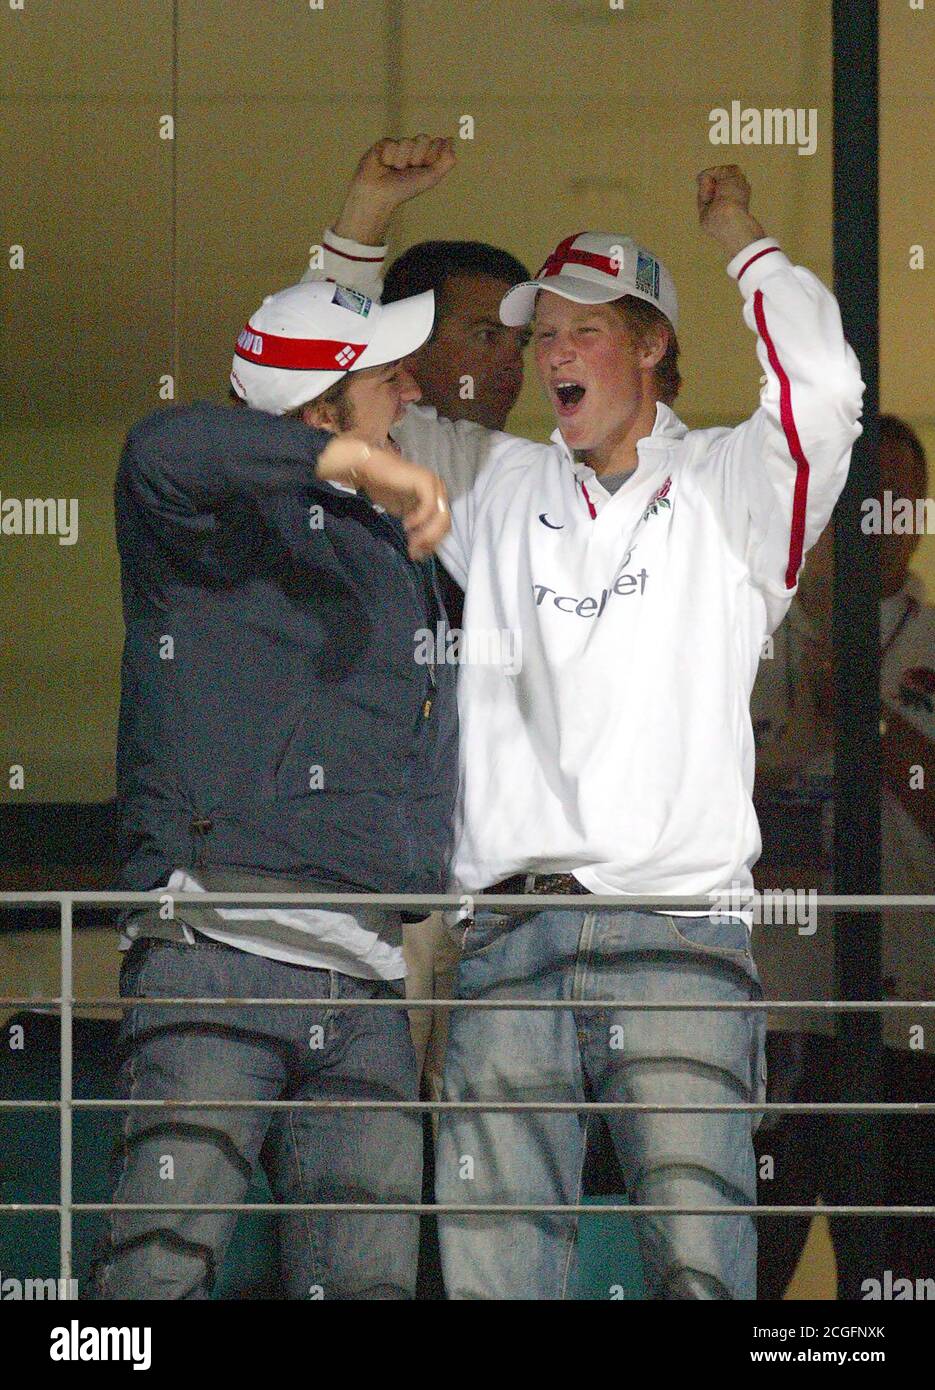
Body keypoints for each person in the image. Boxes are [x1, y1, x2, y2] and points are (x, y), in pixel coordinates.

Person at [305, 136, 865, 1299]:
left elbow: (822, 393)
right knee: (493, 1276)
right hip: (504, 940)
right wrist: (362, 218)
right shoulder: (499, 483)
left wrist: (740, 244)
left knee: (701, 1272)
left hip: (678, 938)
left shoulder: (731, 490)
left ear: (652, 345)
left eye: (583, 329)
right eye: (538, 333)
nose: (550, 352)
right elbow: (324, 399)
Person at [91, 279, 457, 1300]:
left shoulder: (390, 537)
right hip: (216, 960)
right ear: (317, 408)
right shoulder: (207, 515)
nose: (411, 391)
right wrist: (343, 461)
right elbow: (162, 448)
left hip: (368, 984)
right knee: (150, 1283)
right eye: (386, 378)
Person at [312, 138, 531, 1109]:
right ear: (405, 344)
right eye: (487, 333)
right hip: (375, 863)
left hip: (495, 867)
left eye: (520, 339)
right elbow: (318, 348)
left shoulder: (530, 470)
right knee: (382, 1125)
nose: (513, 359)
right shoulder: (364, 439)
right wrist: (365, 206)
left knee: (486, 1146)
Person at [750, 415, 934, 1299]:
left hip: (906, 1013)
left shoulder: (931, 643)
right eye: (850, 495)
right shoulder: (738, 634)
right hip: (768, 1004)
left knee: (899, 1271)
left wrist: (868, 716)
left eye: (894, 498)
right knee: (746, 1259)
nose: (872, 516)